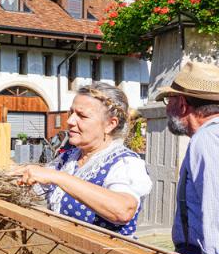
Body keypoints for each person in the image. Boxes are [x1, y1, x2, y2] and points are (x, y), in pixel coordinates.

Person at [10, 82, 152, 238]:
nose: (70, 120)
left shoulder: (125, 163)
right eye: (71, 113)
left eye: (82, 116)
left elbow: (123, 210)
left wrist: (59, 178)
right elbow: (35, 190)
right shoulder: (69, 158)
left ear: (110, 125)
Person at [156, 61, 219, 254]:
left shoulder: (207, 139)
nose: (167, 109)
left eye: (169, 100)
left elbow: (215, 212)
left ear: (182, 103)